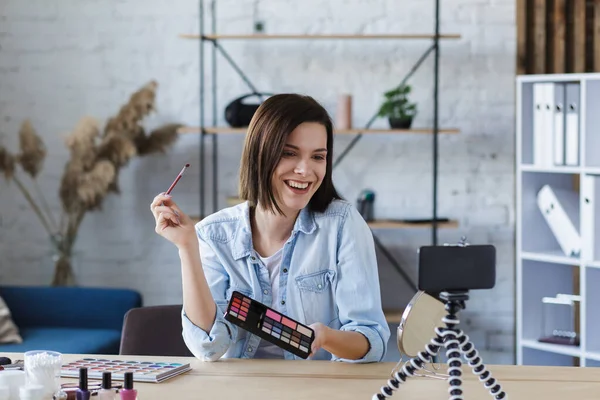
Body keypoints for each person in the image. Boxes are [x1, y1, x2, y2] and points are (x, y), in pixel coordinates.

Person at [150, 93, 390, 363]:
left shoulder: (343, 225)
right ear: (260, 154)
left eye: (318, 157)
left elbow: (372, 340)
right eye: (289, 153)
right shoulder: (214, 235)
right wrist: (187, 247)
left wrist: (325, 337)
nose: (305, 170)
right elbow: (209, 347)